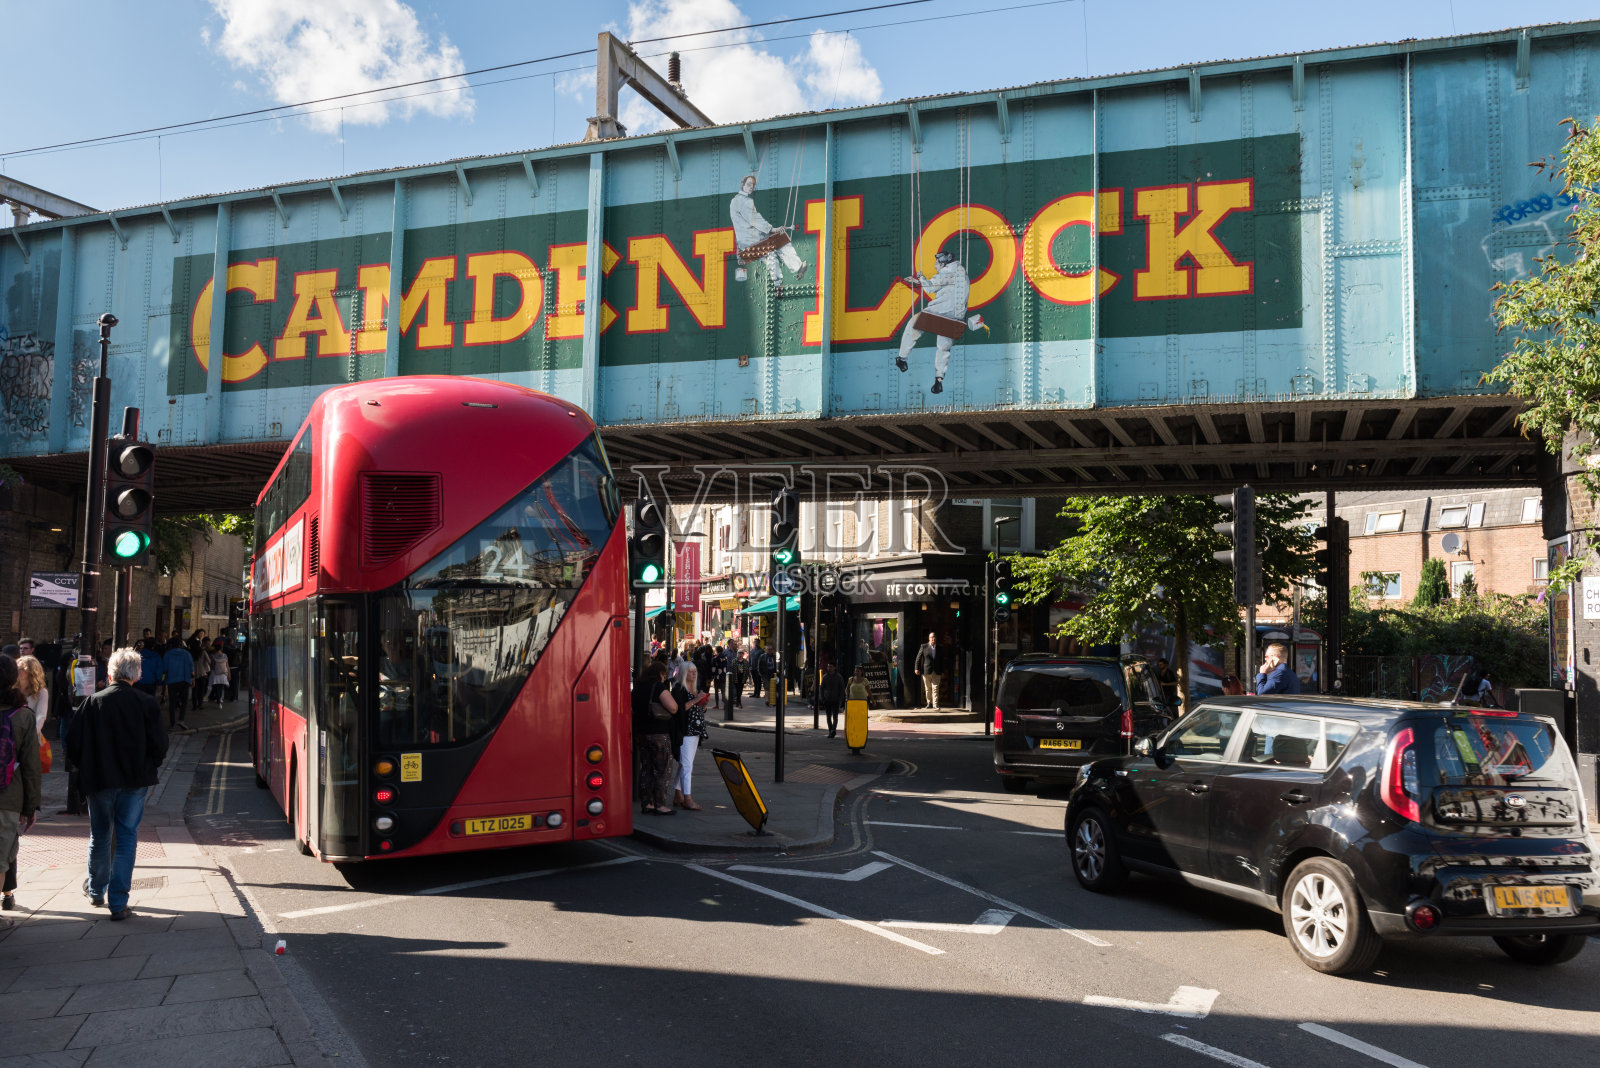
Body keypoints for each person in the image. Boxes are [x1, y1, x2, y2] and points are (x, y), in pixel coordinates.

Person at [65, 647, 168, 921]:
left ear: (110, 672)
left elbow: (73, 744)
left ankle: (97, 891)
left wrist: (86, 766)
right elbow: (160, 745)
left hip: (99, 780)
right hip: (135, 781)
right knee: (126, 838)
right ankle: (118, 902)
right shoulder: (147, 703)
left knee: (99, 835)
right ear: (137, 674)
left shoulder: (93, 702)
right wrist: (150, 765)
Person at [0, 655, 43, 927]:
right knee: (1, 858)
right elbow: (30, 768)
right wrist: (31, 807)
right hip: (8, 798)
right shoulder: (24, 716)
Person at [895, 249, 970, 395]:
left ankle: (902, 358)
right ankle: (938, 381)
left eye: (937, 263)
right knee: (944, 349)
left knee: (913, 325)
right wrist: (918, 281)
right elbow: (945, 285)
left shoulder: (948, 272)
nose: (935, 266)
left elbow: (930, 288)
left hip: (939, 314)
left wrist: (921, 277)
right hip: (956, 319)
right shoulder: (962, 273)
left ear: (943, 263)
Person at [729, 174, 808, 285]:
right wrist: (772, 229)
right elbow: (755, 219)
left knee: (770, 252)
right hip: (752, 242)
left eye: (753, 185)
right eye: (748, 184)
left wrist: (739, 253)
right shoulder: (745, 201)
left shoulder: (734, 201)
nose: (751, 187)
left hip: (745, 246)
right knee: (781, 238)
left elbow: (740, 229)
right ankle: (798, 266)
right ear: (742, 185)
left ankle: (777, 283)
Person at [631, 661, 678, 817]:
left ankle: (647, 803)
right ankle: (660, 805)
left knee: (646, 768)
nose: (665, 678)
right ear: (660, 674)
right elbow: (673, 707)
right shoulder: (658, 687)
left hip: (641, 733)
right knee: (662, 769)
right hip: (658, 733)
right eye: (664, 675)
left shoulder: (637, 688)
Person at [674, 665, 710, 811]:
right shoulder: (679, 689)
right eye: (690, 671)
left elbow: (698, 709)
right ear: (683, 673)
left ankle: (677, 795)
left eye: (695, 671)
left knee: (685, 764)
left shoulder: (695, 689)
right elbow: (677, 709)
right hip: (685, 731)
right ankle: (687, 797)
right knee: (687, 765)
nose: (694, 673)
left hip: (695, 730)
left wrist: (704, 704)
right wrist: (696, 700)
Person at [161, 636, 194, 730]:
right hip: (184, 680)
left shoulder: (167, 654)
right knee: (184, 702)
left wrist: (162, 680)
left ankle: (172, 724)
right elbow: (191, 669)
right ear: (180, 644)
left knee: (172, 702)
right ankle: (181, 720)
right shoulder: (187, 654)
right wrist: (192, 680)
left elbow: (164, 669)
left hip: (172, 681)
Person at [914, 631, 946, 709]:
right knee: (927, 688)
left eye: (934, 637)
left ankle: (935, 704)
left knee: (935, 688)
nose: (933, 638)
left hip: (937, 670)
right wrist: (916, 668)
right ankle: (929, 703)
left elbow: (942, 660)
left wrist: (942, 671)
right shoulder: (924, 646)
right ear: (929, 638)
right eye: (931, 637)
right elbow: (918, 658)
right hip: (926, 670)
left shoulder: (939, 647)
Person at [817, 662, 847, 739]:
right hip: (827, 700)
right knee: (828, 717)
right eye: (828, 667)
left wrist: (840, 698)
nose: (829, 668)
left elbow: (842, 688)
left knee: (835, 717)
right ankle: (831, 730)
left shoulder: (838, 677)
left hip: (836, 700)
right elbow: (822, 688)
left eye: (830, 667)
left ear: (834, 668)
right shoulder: (825, 677)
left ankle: (833, 729)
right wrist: (823, 698)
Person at [207, 640, 231, 705]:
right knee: (221, 686)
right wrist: (229, 674)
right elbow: (227, 666)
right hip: (223, 673)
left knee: (216, 686)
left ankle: (218, 699)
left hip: (215, 673)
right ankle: (219, 698)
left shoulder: (213, 656)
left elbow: (211, 665)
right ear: (221, 648)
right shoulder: (225, 655)